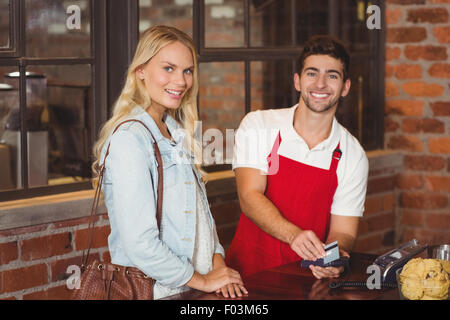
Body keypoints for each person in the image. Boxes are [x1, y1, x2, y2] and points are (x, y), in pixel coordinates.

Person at [92, 25, 247, 299]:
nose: (181, 81)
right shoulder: (131, 139)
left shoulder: (175, 132)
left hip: (193, 288)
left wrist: (219, 266)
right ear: (141, 71)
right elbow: (140, 244)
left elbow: (200, 218)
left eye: (187, 71)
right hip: (160, 291)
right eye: (168, 68)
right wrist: (204, 280)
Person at [226, 35, 369, 280]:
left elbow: (344, 231)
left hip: (306, 282)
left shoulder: (352, 155)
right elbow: (249, 197)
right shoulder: (260, 125)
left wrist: (334, 258)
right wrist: (294, 235)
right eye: (312, 73)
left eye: (332, 75)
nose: (321, 84)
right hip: (244, 278)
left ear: (345, 87)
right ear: (298, 81)